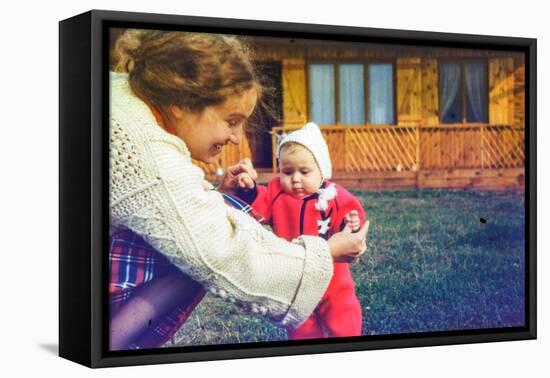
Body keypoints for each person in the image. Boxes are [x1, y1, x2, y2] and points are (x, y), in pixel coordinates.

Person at [108, 30, 369, 350]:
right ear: (182, 103)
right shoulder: (143, 146)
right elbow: (220, 249)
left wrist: (216, 194)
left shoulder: (125, 101)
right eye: (231, 121)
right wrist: (325, 254)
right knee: (199, 252)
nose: (235, 137)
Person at [232, 122, 368, 340]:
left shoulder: (332, 194)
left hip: (333, 275)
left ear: (322, 171)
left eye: (304, 172)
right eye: (287, 171)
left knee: (344, 312)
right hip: (294, 275)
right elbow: (260, 205)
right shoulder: (276, 193)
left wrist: (350, 223)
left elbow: (350, 211)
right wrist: (249, 191)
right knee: (300, 323)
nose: (295, 179)